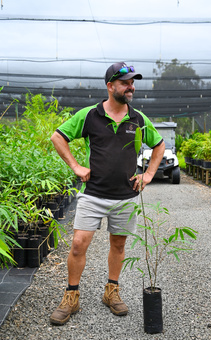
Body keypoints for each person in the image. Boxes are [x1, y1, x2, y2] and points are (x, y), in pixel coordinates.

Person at [50, 61, 165, 325]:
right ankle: (71, 295)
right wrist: (76, 166)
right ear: (110, 85)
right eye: (125, 83)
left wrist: (147, 175)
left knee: (119, 244)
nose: (131, 87)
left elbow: (158, 145)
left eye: (132, 83)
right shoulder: (90, 115)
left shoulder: (137, 119)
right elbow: (58, 137)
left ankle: (111, 291)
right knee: (79, 244)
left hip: (126, 195)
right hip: (93, 193)